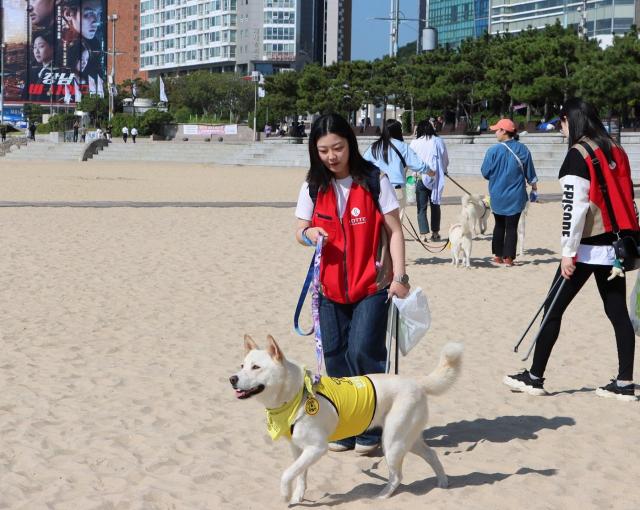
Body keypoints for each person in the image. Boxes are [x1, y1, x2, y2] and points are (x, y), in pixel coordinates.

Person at [504, 98, 639, 401]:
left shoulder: (578, 154)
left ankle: (535, 377)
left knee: (553, 307)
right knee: (617, 313)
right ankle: (625, 382)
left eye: (561, 122)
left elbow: (574, 209)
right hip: (616, 245)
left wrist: (568, 252)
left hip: (586, 247)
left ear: (570, 120)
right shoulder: (615, 148)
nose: (561, 129)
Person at [294, 113, 410, 454]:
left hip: (372, 286)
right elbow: (299, 229)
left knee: (363, 351)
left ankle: (371, 426)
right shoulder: (313, 186)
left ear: (350, 145)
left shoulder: (374, 180)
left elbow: (395, 231)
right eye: (324, 150)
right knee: (335, 357)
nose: (332, 156)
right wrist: (309, 233)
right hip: (328, 290)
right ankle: (343, 426)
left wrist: (400, 277)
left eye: (338, 148)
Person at [481, 118, 538, 266]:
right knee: (512, 226)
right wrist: (534, 188)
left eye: (497, 130)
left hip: (497, 194)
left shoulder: (493, 150)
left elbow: (485, 172)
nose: (495, 133)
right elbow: (530, 173)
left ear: (504, 132)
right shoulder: (523, 149)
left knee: (499, 224)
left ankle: (498, 255)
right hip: (516, 194)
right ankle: (509, 258)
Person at [363, 119, 432, 220]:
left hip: (378, 188)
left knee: (379, 221)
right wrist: (431, 172)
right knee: (397, 223)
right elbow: (418, 165)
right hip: (397, 188)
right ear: (397, 131)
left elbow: (363, 164)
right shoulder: (403, 146)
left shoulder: (374, 147)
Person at [409, 120, 449, 242]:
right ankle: (435, 233)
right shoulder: (438, 141)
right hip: (436, 178)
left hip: (420, 177)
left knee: (421, 207)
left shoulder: (414, 143)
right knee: (435, 205)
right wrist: (444, 169)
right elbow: (445, 158)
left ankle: (423, 234)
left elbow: (410, 160)